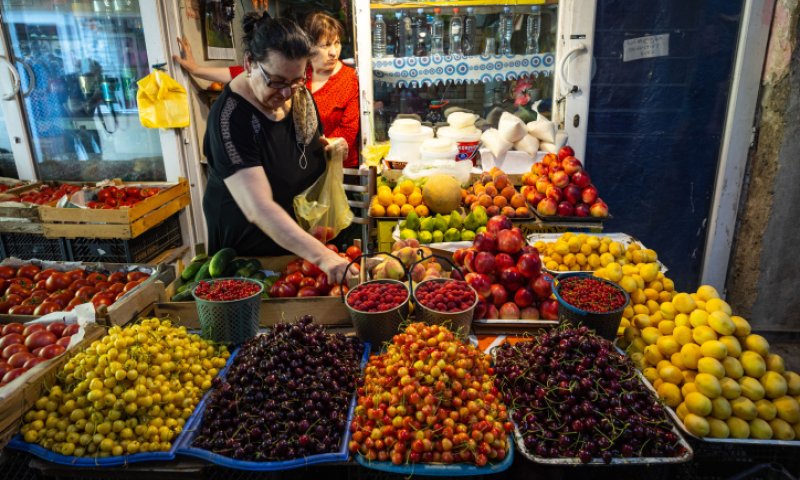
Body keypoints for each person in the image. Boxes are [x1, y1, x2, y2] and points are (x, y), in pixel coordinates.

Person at [201, 12, 354, 283]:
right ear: (249, 63)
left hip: (298, 250)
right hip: (249, 263)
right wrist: (324, 257)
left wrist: (329, 150)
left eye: (296, 80)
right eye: (277, 81)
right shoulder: (231, 119)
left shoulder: (300, 98)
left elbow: (306, 147)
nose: (286, 93)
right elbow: (257, 207)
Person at [173, 12, 360, 167]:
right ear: (309, 47)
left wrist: (322, 149)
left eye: (337, 43)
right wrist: (196, 70)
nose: (334, 52)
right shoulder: (299, 71)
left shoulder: (348, 79)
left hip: (334, 164)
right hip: (299, 162)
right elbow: (243, 72)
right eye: (325, 45)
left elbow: (348, 131)